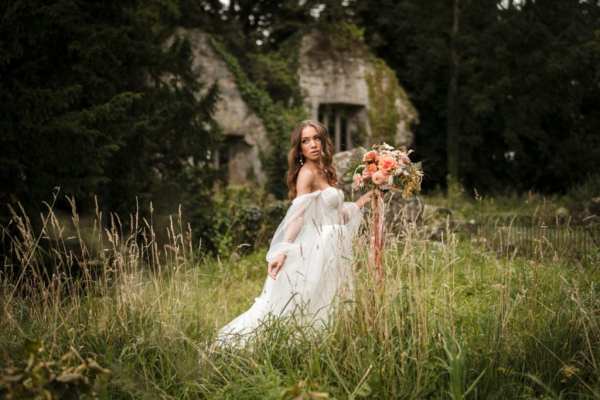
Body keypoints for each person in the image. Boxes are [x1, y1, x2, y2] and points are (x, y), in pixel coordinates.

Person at [216, 120, 373, 347]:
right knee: (299, 299)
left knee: (327, 298)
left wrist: (367, 197)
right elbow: (298, 215)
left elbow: (339, 216)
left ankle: (326, 343)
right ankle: (239, 342)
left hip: (331, 243)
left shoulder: (326, 170)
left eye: (316, 138)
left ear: (323, 141)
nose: (312, 144)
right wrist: (282, 250)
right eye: (305, 141)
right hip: (316, 244)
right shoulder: (307, 174)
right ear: (299, 149)